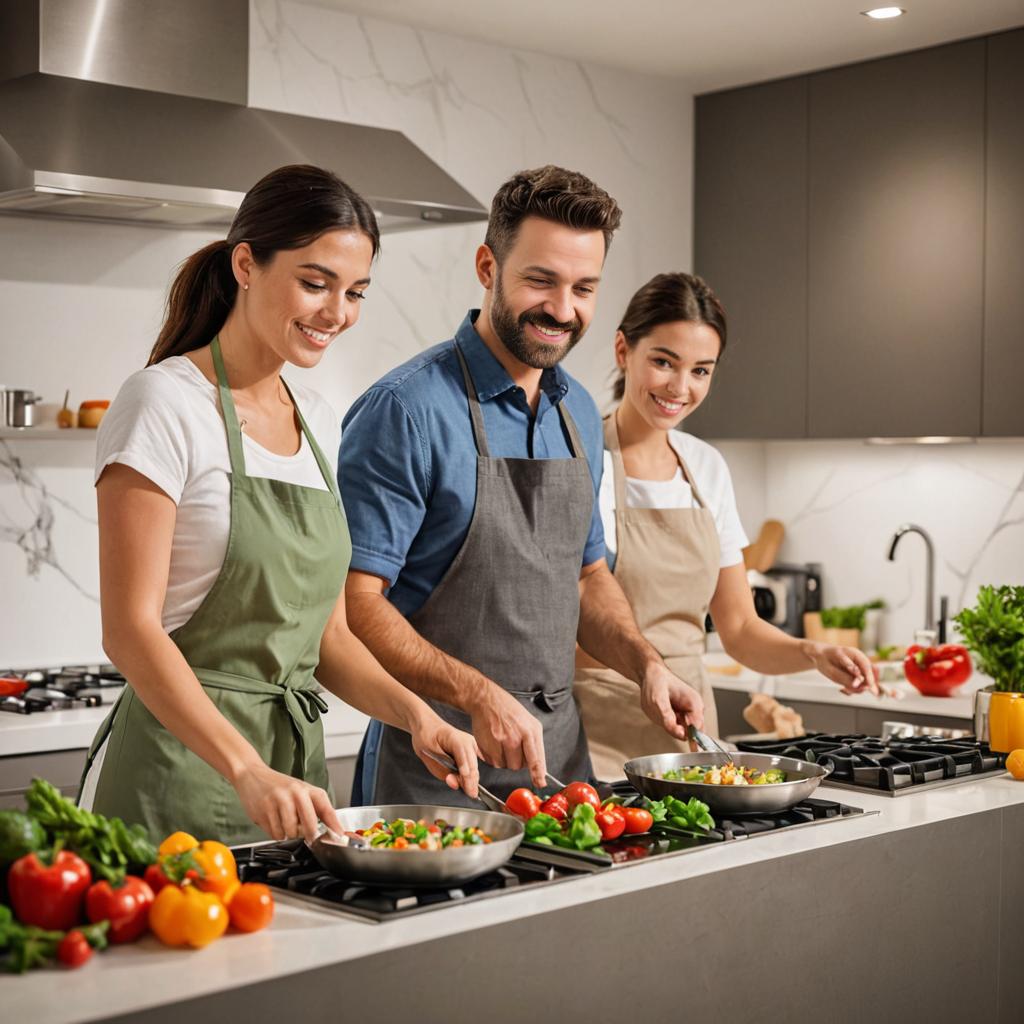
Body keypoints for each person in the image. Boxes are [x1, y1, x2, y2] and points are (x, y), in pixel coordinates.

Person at [80, 165, 480, 845]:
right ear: (246, 263)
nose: (337, 313)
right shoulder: (163, 403)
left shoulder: (321, 421)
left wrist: (416, 715)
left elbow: (327, 640)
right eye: (315, 283)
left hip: (294, 787)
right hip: (173, 778)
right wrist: (243, 767)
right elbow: (130, 630)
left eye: (355, 292)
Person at [338, 166, 707, 807]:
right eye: (541, 280)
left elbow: (588, 576)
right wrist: (478, 695)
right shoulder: (405, 409)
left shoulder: (581, 415)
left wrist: (648, 665)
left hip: (564, 773)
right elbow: (354, 605)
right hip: (438, 770)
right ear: (488, 268)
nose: (563, 310)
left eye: (584, 288)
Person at [573, 272, 879, 780]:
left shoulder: (706, 467)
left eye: (700, 371)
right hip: (597, 736)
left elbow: (738, 629)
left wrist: (814, 653)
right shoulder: (582, 459)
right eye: (663, 362)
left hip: (691, 736)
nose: (680, 387)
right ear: (623, 351)